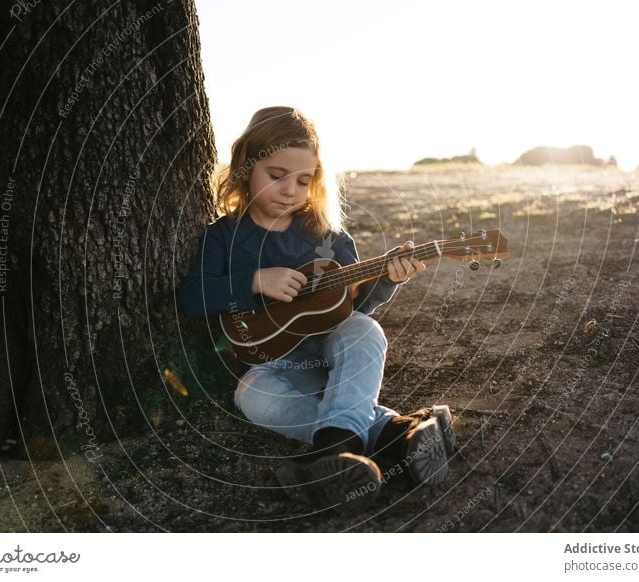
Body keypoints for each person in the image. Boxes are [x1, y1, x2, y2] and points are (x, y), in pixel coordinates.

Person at [181, 106, 457, 514]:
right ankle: (400, 434)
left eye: (303, 180)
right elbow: (192, 297)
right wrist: (254, 281)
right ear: (244, 168)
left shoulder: (328, 236)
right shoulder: (222, 236)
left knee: (363, 330)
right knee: (253, 399)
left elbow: (354, 307)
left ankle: (334, 455)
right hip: (269, 365)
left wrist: (387, 279)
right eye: (277, 176)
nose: (291, 190)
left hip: (332, 357)